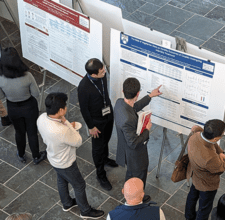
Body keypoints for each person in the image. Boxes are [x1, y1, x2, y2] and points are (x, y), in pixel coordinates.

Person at [37, 92, 104, 219]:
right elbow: (78, 141)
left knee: (61, 179)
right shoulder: (62, 130)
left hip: (53, 157)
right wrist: (67, 123)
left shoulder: (41, 118)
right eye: (65, 106)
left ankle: (67, 203)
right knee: (79, 185)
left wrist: (63, 123)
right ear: (61, 110)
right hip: (66, 162)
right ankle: (85, 211)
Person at [114, 77, 162, 203]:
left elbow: (133, 107)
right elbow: (134, 142)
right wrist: (147, 130)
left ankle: (128, 191)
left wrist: (150, 96)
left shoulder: (119, 102)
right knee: (139, 175)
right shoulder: (127, 119)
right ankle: (136, 198)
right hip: (134, 154)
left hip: (125, 150)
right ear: (138, 93)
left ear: (123, 90)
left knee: (131, 173)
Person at [0, 47, 46, 164]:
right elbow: (36, 93)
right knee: (32, 131)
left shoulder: (1, 78)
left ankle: (21, 155)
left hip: (13, 107)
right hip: (29, 106)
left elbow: (1, 96)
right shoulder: (27, 76)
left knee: (19, 132)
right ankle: (36, 156)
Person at [78, 58, 118, 191]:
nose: (105, 72)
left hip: (108, 114)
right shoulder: (83, 87)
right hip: (96, 122)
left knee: (106, 140)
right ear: (93, 74)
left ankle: (105, 158)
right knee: (97, 148)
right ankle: (100, 174)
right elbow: (84, 109)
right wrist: (91, 126)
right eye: (102, 71)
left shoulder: (102, 76)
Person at [185, 120, 225, 220]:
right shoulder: (210, 158)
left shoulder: (194, 136)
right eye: (222, 135)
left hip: (195, 175)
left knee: (192, 197)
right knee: (204, 208)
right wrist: (221, 157)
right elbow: (220, 169)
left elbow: (204, 135)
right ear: (215, 138)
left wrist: (219, 153)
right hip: (207, 184)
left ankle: (189, 217)